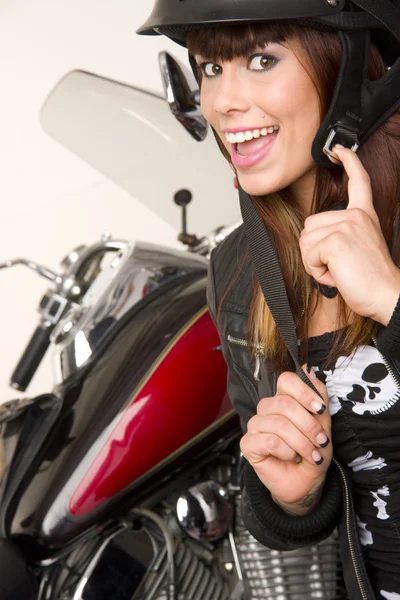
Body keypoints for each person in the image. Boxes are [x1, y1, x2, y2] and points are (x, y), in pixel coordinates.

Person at [138, 2, 400, 598]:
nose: (224, 102)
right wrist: (293, 494)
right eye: (210, 68)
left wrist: (390, 298)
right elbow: (294, 522)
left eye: (261, 59)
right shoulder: (238, 269)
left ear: (348, 63)